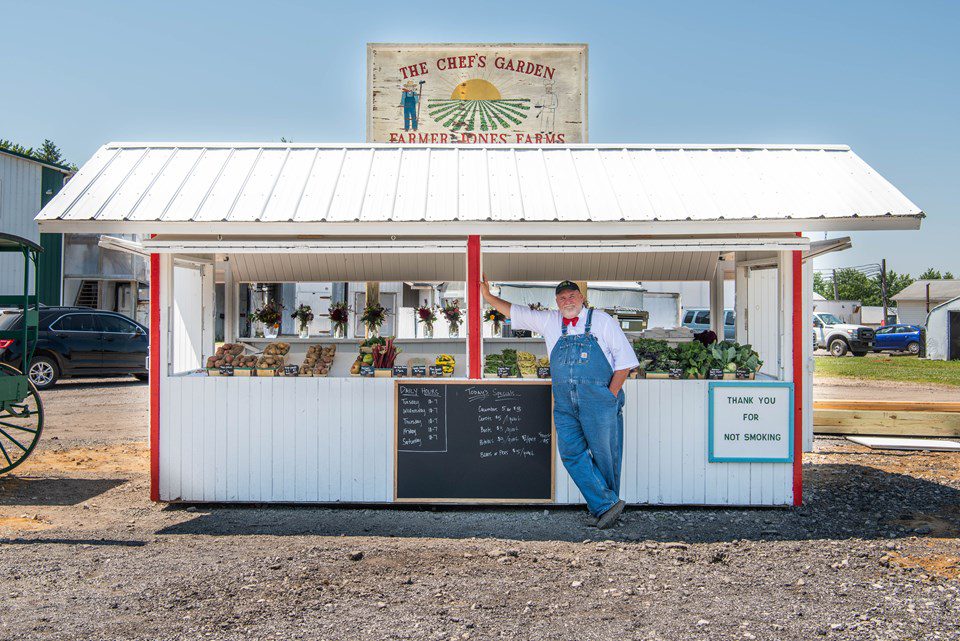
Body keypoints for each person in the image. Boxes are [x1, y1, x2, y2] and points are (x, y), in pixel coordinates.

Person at [480, 277, 639, 528]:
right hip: (565, 404)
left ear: (581, 298)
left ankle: (604, 508)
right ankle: (606, 503)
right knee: (571, 453)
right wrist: (488, 297)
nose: (568, 301)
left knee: (605, 456)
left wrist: (610, 396)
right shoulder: (550, 321)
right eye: (562, 298)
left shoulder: (602, 321)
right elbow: (515, 311)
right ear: (556, 302)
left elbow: (625, 363)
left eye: (572, 296)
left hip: (599, 400)